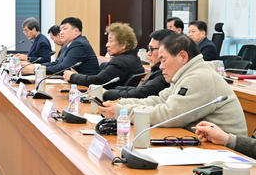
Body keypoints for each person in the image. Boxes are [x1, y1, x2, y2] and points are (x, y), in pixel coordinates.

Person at [100, 34, 247, 135]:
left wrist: (122, 112)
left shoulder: (200, 77)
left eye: (164, 60)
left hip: (225, 152)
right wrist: (120, 103)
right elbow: (158, 100)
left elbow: (169, 115)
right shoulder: (187, 74)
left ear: (183, 56)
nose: (161, 66)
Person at [63, 22, 144, 90]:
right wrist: (78, 76)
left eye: (110, 41)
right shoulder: (134, 59)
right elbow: (100, 78)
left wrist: (72, 76)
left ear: (123, 45)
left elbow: (98, 81)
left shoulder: (120, 63)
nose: (107, 45)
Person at [103, 29, 176, 101]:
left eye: (151, 49)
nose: (148, 53)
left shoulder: (165, 74)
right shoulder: (157, 70)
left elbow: (140, 93)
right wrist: (115, 90)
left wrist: (106, 94)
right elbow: (139, 90)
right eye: (148, 48)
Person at [22, 17, 99, 76]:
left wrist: (36, 70)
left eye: (64, 29)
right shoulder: (69, 44)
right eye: (61, 30)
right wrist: (35, 65)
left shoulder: (79, 44)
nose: (61, 32)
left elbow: (63, 67)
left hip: (84, 87)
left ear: (76, 31)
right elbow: (57, 63)